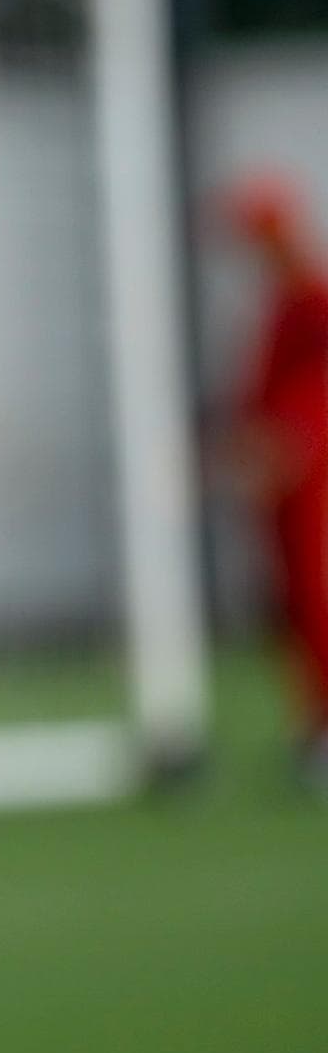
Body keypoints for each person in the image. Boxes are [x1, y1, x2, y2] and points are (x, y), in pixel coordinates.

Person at [216, 173, 328, 782]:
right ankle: (313, 723)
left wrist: (292, 442)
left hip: (308, 473)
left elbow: (315, 391)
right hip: (278, 476)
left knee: (314, 594)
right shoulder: (282, 303)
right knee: (289, 601)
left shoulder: (312, 299)